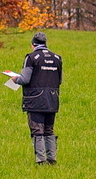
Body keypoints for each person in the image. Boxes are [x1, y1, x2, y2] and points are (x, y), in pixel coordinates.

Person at [11, 32, 63, 164]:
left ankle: (40, 160)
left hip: (35, 99)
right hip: (53, 98)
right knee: (49, 129)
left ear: (32, 44)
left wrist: (15, 79)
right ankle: (52, 159)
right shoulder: (57, 58)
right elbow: (59, 80)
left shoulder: (31, 57)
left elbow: (24, 79)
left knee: (37, 130)